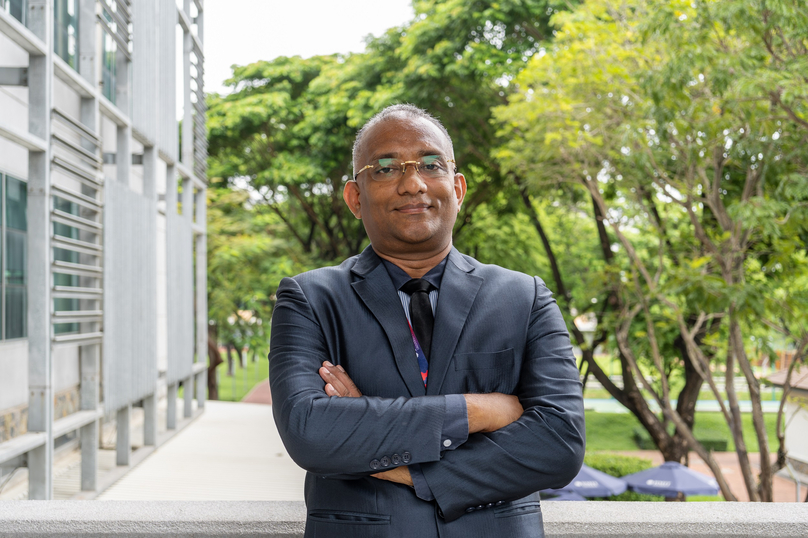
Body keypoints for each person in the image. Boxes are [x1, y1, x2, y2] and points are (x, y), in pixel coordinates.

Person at [269, 104, 584, 538]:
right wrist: (480, 410)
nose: (412, 183)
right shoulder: (310, 299)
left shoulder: (524, 297)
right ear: (355, 198)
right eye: (385, 169)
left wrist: (392, 457)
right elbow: (311, 433)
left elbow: (559, 446)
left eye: (431, 165)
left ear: (457, 187)